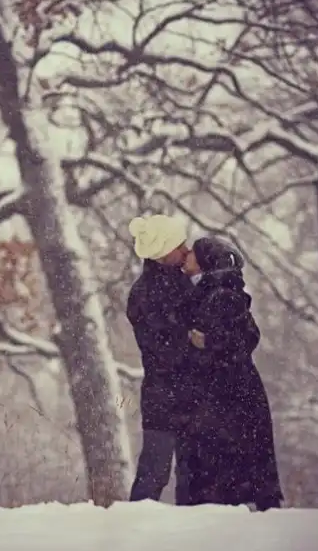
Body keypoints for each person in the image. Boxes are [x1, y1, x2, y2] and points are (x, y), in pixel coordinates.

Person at [177, 236, 284, 510]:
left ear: (205, 261)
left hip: (231, 393)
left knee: (229, 462)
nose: (187, 255)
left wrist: (206, 342)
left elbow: (246, 338)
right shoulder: (209, 291)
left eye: (193, 252)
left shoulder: (222, 295)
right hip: (224, 392)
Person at [126, 214, 198, 504]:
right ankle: (135, 525)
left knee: (191, 474)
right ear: (164, 252)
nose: (186, 250)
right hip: (166, 396)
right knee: (156, 472)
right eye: (180, 245)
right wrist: (193, 340)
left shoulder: (182, 285)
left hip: (175, 395)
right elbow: (164, 349)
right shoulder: (147, 294)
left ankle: (191, 528)